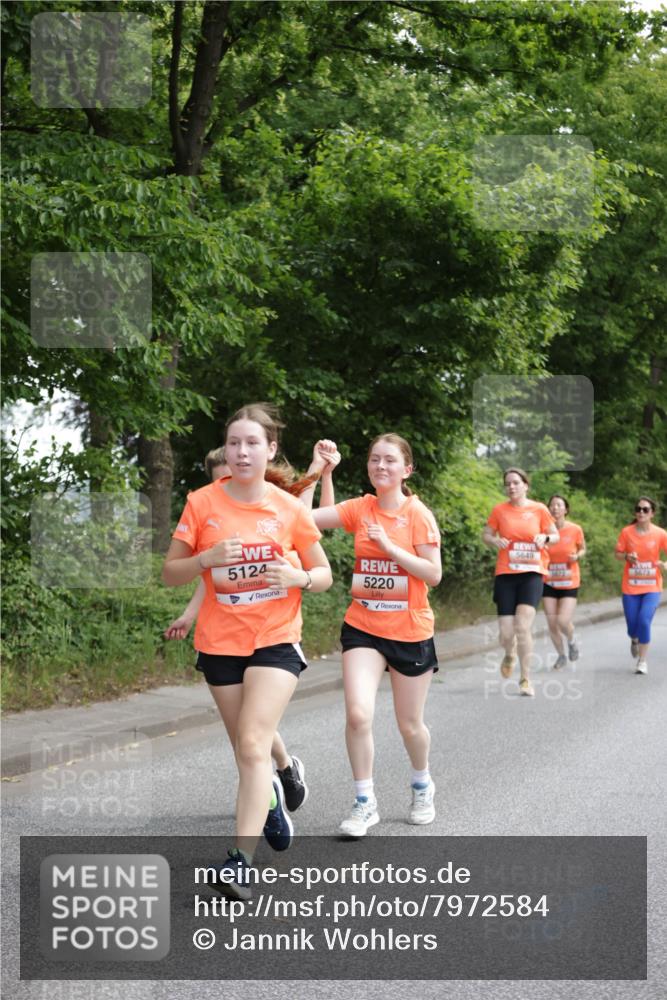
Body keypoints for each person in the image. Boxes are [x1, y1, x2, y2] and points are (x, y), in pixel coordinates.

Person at [162, 404, 333, 897]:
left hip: (275, 639)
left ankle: (240, 862)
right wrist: (206, 558)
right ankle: (273, 798)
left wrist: (298, 576)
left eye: (253, 443)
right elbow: (170, 573)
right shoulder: (201, 503)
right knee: (244, 749)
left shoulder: (288, 509)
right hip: (220, 643)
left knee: (255, 743)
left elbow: (323, 574)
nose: (241, 452)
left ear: (270, 449)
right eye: (234, 443)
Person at [312, 433, 442, 837]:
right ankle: (364, 801)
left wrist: (390, 548)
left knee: (410, 725)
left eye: (389, 460)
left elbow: (433, 574)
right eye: (374, 459)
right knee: (357, 714)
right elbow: (311, 520)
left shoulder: (418, 514)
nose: (380, 466)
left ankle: (422, 785)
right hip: (363, 627)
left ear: (407, 470)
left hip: (409, 631)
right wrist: (323, 473)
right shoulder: (361, 507)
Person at [482, 468, 558, 697]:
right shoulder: (499, 510)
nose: (511, 487)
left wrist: (545, 537)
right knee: (506, 633)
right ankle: (510, 652)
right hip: (506, 574)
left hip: (532, 573)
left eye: (516, 482)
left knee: (522, 627)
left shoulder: (539, 509)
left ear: (526, 485)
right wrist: (495, 541)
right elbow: (486, 535)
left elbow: (555, 536)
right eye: (508, 484)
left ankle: (525, 679)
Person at [614, 496, 667, 675]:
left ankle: (642, 661)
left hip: (652, 586)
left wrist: (664, 564)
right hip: (631, 587)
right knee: (632, 626)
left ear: (652, 513)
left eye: (645, 509)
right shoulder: (626, 532)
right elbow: (618, 554)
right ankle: (634, 638)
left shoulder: (660, 533)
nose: (641, 512)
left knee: (644, 620)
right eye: (638, 509)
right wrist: (627, 557)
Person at [542, 495, 586, 669]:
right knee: (552, 623)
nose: (555, 508)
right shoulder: (543, 530)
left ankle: (572, 640)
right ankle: (561, 656)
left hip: (569, 581)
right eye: (552, 505)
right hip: (549, 581)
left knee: (562, 621)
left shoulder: (575, 529)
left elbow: (582, 548)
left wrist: (577, 556)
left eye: (559, 505)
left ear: (566, 509)